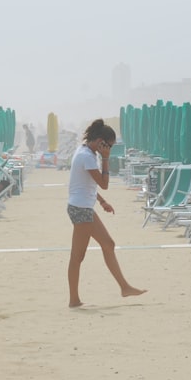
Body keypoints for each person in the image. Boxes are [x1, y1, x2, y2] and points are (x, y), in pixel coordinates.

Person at [66, 119, 146, 308]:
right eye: (108, 146)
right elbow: (104, 183)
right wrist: (106, 158)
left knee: (105, 245)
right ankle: (74, 300)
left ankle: (124, 287)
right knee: (78, 256)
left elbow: (87, 184)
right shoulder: (87, 156)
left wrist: (101, 201)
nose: (109, 149)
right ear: (101, 141)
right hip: (81, 209)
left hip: (82, 207)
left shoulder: (86, 151)